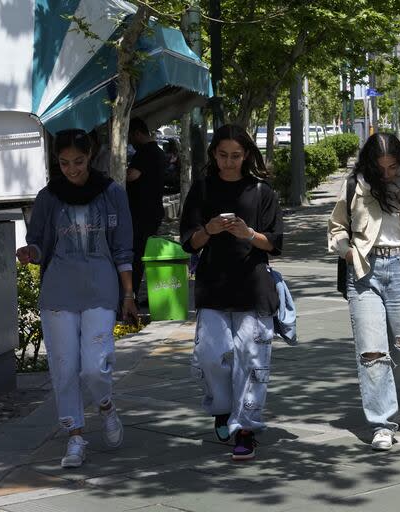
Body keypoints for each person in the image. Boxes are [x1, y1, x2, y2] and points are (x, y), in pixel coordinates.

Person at [16, 129, 138, 469]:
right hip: (58, 290)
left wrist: (128, 294)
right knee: (64, 368)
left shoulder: (111, 193)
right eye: (64, 163)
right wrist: (31, 252)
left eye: (79, 162)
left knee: (95, 366)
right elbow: (40, 243)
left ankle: (106, 406)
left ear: (91, 156)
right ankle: (75, 436)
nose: (72, 169)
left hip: (101, 286)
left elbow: (123, 247)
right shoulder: (47, 197)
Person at [327, 132, 400, 451]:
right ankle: (382, 422)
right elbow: (337, 226)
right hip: (364, 272)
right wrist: (347, 253)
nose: (388, 173)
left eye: (393, 166)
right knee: (372, 352)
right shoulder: (356, 184)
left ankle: (399, 401)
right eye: (381, 168)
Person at [180, 124, 283, 461]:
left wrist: (248, 233)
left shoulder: (261, 191)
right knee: (211, 354)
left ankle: (245, 429)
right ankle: (223, 407)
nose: (229, 162)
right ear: (214, 154)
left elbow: (274, 243)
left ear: (246, 156)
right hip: (213, 286)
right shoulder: (203, 189)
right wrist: (207, 230)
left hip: (253, 285)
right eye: (222, 155)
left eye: (235, 156)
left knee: (251, 360)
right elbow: (188, 242)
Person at [126, 117, 166, 300]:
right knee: (140, 252)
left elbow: (132, 176)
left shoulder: (145, 152)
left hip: (142, 212)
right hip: (152, 210)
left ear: (137, 133)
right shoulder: (157, 151)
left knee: (136, 253)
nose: (130, 143)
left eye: (130, 138)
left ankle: (130, 294)